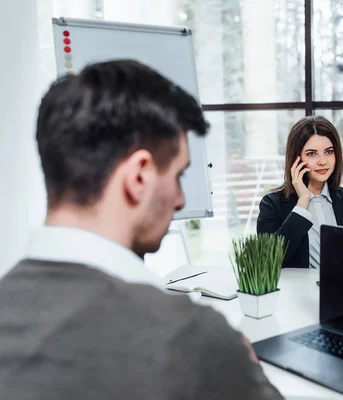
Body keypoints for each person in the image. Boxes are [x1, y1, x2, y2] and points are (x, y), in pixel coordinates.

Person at [0, 60, 283, 399]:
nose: (179, 200)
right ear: (139, 176)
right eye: (178, 176)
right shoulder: (193, 341)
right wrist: (244, 369)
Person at [257, 116, 343, 269]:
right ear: (296, 159)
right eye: (311, 154)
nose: (323, 161)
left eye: (328, 152)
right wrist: (303, 202)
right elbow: (267, 260)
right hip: (298, 291)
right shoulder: (272, 204)